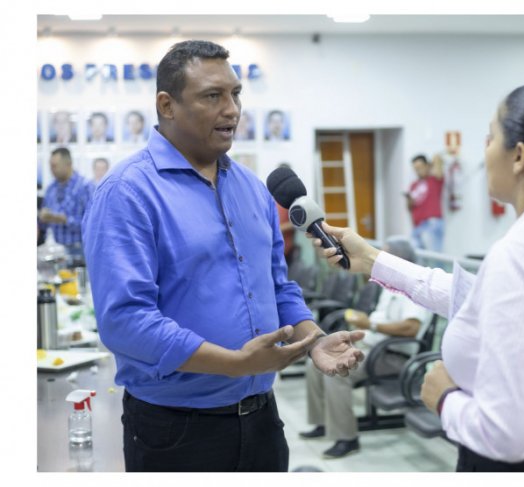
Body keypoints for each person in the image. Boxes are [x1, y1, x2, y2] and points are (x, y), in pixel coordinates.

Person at [311, 81, 524, 471]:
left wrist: (445, 398)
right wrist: (372, 260)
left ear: (519, 157)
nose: (485, 148)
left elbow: (506, 435)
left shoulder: (523, 253)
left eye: (490, 136)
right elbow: (476, 298)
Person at [81, 40, 364, 472]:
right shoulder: (128, 193)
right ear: (167, 105)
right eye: (213, 96)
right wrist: (234, 364)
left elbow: (277, 286)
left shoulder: (253, 189)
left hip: (262, 420)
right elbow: (124, 321)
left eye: (235, 95)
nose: (231, 109)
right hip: (176, 431)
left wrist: (313, 340)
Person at [300, 237, 431, 459]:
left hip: (392, 356)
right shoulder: (391, 284)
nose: (381, 257)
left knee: (336, 372)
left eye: (387, 254)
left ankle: (347, 439)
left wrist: (369, 324)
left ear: (401, 258)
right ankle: (324, 422)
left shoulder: (415, 286)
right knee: (315, 363)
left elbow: (410, 327)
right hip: (373, 347)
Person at [39, 147, 94, 257]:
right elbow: (43, 223)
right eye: (50, 166)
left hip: (80, 251)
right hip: (56, 251)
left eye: (55, 166)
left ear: (68, 164)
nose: (51, 169)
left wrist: (65, 220)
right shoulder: (51, 189)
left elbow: (91, 224)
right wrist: (43, 218)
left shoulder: (85, 187)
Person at [405, 153, 445, 252]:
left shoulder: (435, 179)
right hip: (417, 226)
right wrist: (409, 199)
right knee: (418, 260)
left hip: (432, 222)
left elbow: (437, 158)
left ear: (427, 166)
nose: (417, 170)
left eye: (420, 167)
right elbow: (409, 207)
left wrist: (430, 166)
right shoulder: (413, 185)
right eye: (415, 168)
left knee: (433, 258)